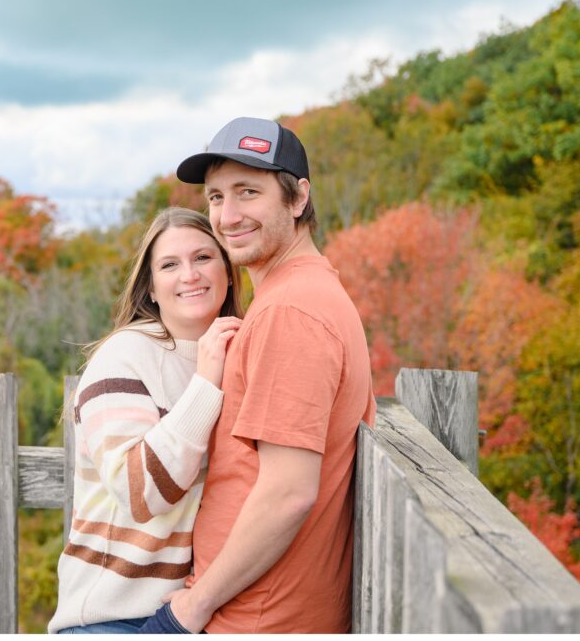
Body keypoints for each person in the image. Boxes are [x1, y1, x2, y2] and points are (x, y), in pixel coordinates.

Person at [139, 117, 376, 634]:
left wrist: (195, 606)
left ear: (297, 199)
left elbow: (288, 492)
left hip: (255, 619)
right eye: (217, 197)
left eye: (249, 192)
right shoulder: (300, 294)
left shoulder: (290, 313)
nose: (228, 215)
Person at [48, 207, 244, 634]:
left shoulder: (242, 351)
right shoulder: (125, 356)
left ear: (228, 271)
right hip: (113, 618)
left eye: (204, 258)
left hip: (200, 609)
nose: (189, 274)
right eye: (170, 265)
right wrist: (207, 381)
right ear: (151, 289)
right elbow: (141, 493)